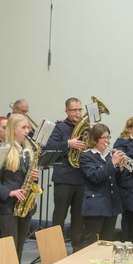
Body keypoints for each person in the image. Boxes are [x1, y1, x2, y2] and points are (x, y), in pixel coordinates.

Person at [0, 114, 40, 262]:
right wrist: (10, 192)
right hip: (8, 207)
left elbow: (29, 179)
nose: (27, 131)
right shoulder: (2, 150)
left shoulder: (27, 151)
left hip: (24, 206)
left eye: (28, 127)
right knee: (9, 248)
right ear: (13, 129)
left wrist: (34, 176)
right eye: (24, 127)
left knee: (19, 246)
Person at [45, 97, 86, 252]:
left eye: (79, 110)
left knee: (79, 217)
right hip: (64, 177)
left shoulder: (85, 128)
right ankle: (54, 250)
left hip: (81, 177)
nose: (77, 113)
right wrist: (68, 143)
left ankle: (77, 249)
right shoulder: (59, 127)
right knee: (59, 215)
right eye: (74, 110)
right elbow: (50, 146)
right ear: (66, 111)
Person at [79, 123, 124, 247]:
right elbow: (95, 177)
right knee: (91, 242)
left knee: (107, 242)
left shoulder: (109, 156)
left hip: (111, 205)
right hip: (96, 206)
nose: (107, 141)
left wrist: (120, 168)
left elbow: (117, 181)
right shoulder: (87, 156)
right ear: (95, 139)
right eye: (104, 138)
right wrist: (113, 163)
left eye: (108, 137)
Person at [113, 116, 133, 240]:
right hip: (124, 185)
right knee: (127, 219)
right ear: (129, 128)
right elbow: (120, 160)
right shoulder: (122, 142)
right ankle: (125, 243)